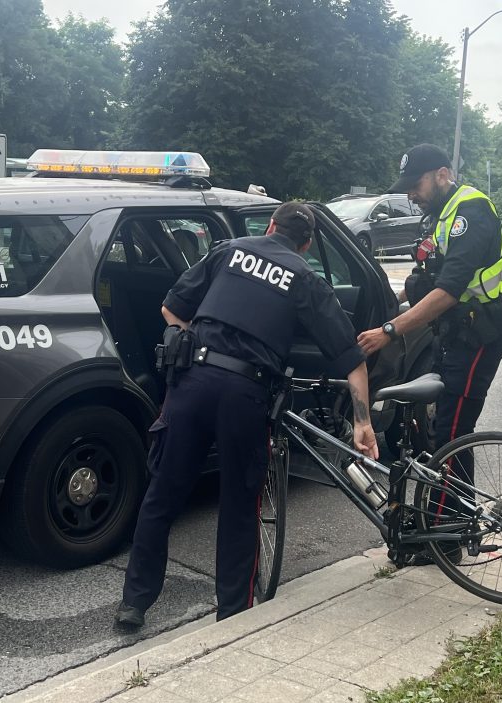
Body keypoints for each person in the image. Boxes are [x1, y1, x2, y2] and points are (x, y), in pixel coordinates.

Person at [116, 202, 378, 628]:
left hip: (192, 384)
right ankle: (233, 616)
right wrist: (362, 424)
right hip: (245, 395)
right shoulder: (306, 278)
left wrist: (189, 345)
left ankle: (134, 604)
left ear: (270, 226)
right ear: (306, 244)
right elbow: (353, 361)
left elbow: (171, 308)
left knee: (161, 496)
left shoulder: (228, 250)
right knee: (239, 507)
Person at [357, 144, 502, 556]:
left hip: (478, 333)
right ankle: (456, 525)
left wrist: (390, 331)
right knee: (444, 432)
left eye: (417, 184)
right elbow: (427, 280)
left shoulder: (471, 212)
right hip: (455, 332)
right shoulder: (441, 215)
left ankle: (446, 539)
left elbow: (448, 291)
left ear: (442, 174)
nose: (412, 194)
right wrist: (385, 305)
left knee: (449, 433)